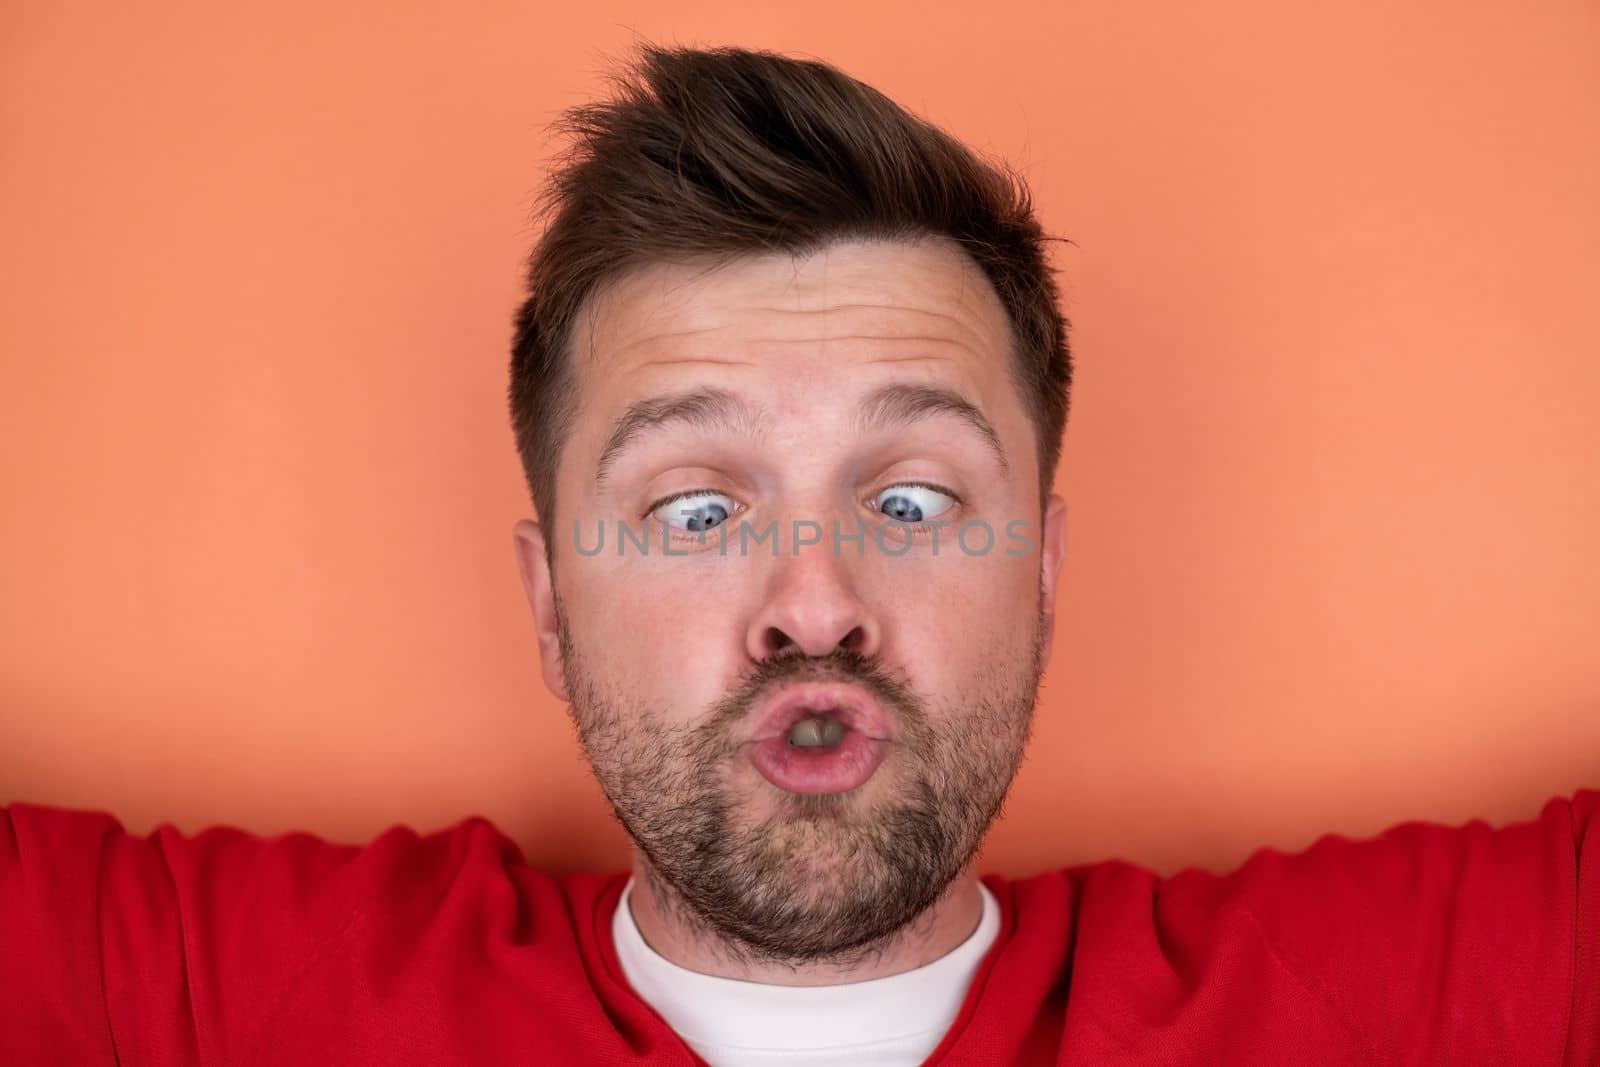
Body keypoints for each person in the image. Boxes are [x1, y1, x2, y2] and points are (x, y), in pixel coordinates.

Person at [2, 43, 1594, 1067]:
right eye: (700, 510)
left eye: (909, 500)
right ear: (549, 605)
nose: (815, 606)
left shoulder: (1361, 1004)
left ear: (1041, 573)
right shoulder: (262, 996)